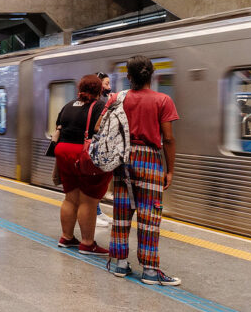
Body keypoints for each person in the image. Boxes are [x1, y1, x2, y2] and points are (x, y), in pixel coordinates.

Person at [107, 55, 182, 287]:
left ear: (129, 76)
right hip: (149, 159)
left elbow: (103, 127)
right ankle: (149, 270)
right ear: (152, 75)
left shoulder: (117, 99)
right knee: (149, 216)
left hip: (123, 160)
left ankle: (120, 264)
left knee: (121, 212)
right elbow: (168, 139)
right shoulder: (163, 100)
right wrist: (170, 170)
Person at [50, 74, 109, 255]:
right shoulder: (100, 106)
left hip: (63, 151)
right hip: (83, 154)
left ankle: (66, 237)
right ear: (99, 90)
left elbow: (59, 126)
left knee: (70, 198)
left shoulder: (68, 105)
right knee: (88, 200)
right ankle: (87, 243)